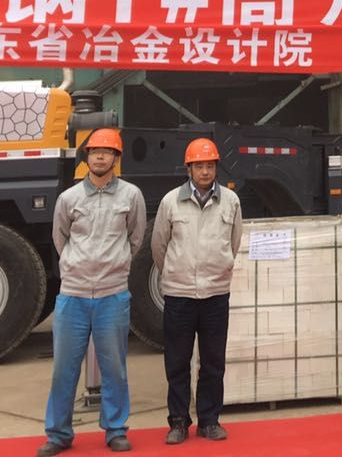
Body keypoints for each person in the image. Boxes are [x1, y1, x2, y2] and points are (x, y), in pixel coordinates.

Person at [40, 128, 147, 456]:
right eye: (95, 151)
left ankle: (115, 429)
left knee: (114, 367)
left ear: (116, 158)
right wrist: (77, 266)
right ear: (87, 157)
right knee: (64, 369)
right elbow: (60, 238)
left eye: (107, 151)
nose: (100, 156)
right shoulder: (69, 199)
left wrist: (115, 265)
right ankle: (58, 434)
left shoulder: (131, 196)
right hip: (73, 295)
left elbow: (136, 238)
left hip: (112, 294)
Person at [151, 137, 243, 444]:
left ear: (216, 167)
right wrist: (175, 274)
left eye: (210, 166)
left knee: (213, 362)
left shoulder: (230, 201)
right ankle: (178, 422)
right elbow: (159, 246)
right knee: (177, 362)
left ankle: (209, 420)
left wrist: (220, 267)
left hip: (216, 294)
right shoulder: (170, 202)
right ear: (188, 169)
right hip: (180, 296)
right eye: (199, 166)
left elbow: (234, 241)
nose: (205, 171)